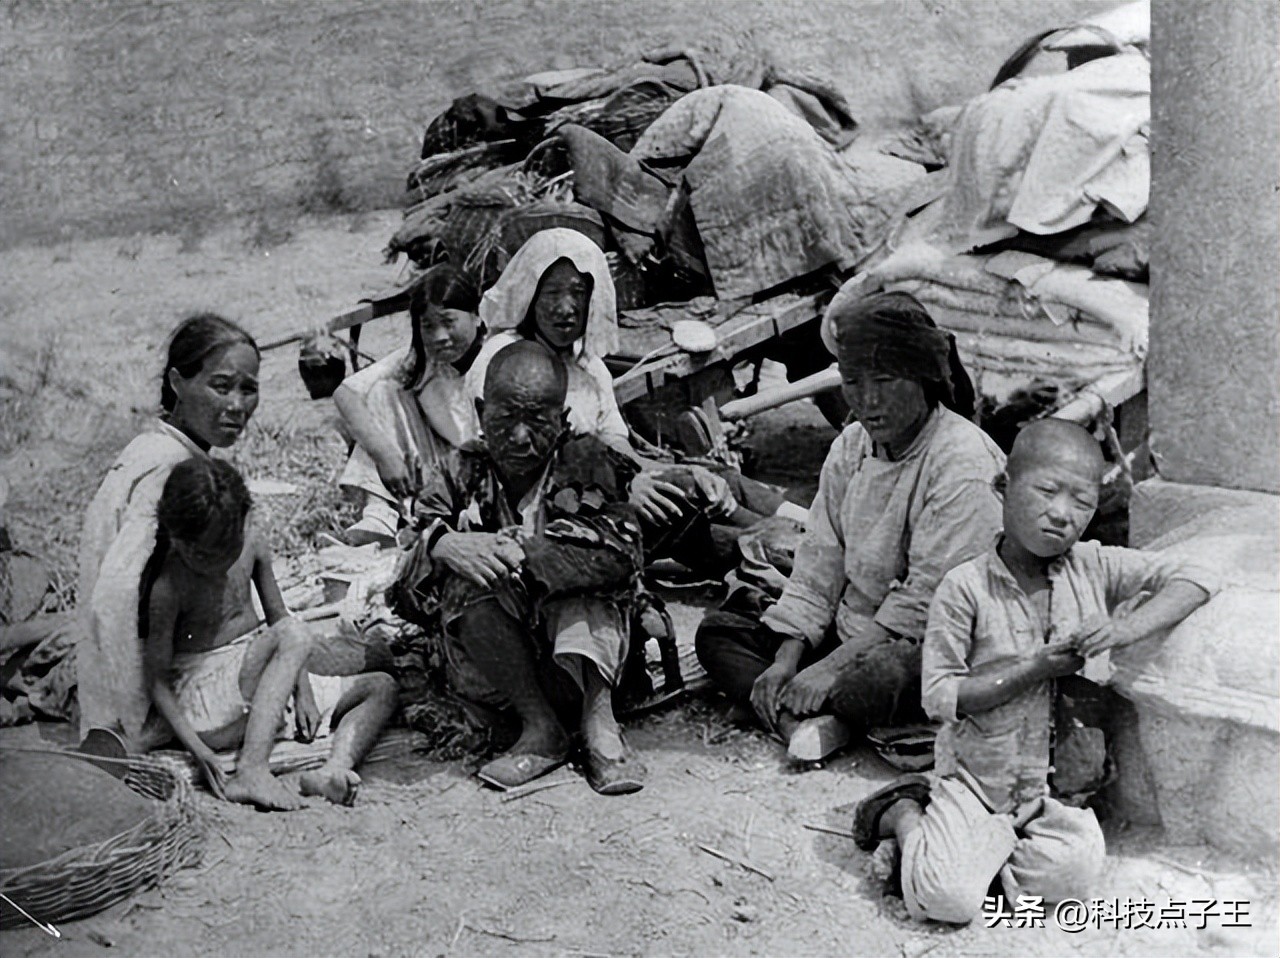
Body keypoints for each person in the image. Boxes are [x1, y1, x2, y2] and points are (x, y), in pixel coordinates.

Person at [853, 420, 1215, 924]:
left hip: (1052, 795)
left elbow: (1196, 577)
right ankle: (906, 815)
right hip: (977, 783)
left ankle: (958, 861)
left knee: (1075, 872)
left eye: (1082, 502)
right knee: (949, 902)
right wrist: (1031, 670)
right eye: (1046, 491)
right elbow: (940, 695)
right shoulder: (966, 587)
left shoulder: (1094, 567)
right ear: (1003, 486)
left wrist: (1120, 629)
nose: (1062, 514)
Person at [695, 291, 1006, 761]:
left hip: (923, 640)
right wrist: (787, 660)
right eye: (854, 382)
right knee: (719, 634)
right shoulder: (852, 446)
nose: (868, 400)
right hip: (854, 629)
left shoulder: (962, 460)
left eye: (884, 380)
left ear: (923, 376)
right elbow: (820, 561)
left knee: (883, 677)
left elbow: (929, 601)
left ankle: (824, 718)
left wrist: (833, 668)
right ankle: (803, 718)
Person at [395, 340, 647, 795]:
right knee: (464, 572)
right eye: (506, 417)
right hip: (499, 674)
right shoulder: (457, 472)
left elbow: (622, 553)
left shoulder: (586, 460)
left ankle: (599, 726)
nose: (519, 437)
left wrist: (525, 555)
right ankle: (541, 729)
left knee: (583, 578)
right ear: (480, 409)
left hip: (589, 666)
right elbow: (404, 578)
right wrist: (445, 544)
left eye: (537, 420)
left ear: (563, 419)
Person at [466, 227, 798, 569]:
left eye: (578, 293)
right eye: (552, 292)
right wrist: (625, 488)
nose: (565, 308)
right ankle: (787, 551)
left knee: (705, 478)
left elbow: (616, 445)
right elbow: (517, 462)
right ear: (530, 295)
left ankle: (807, 531)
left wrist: (650, 473)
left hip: (602, 484)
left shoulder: (589, 366)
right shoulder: (505, 362)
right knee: (681, 504)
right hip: (549, 507)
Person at [140, 458, 396, 811]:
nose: (216, 562)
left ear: (245, 520)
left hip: (258, 691)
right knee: (292, 632)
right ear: (176, 538)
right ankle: (252, 769)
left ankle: (333, 770)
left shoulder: (252, 543)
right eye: (201, 554)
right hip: (207, 705)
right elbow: (156, 682)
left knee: (381, 686)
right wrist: (197, 750)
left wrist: (302, 686)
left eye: (226, 548)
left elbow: (278, 615)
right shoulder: (169, 585)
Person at [78, 314, 262, 749]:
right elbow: (115, 599)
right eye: (221, 386)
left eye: (248, 389)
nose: (237, 405)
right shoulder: (169, 468)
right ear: (178, 383)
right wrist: (132, 719)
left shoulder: (154, 448)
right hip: (136, 693)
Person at [334, 264, 484, 545]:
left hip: (485, 475)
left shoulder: (499, 356)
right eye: (428, 326)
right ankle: (380, 512)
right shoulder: (423, 356)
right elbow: (347, 393)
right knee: (384, 391)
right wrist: (385, 455)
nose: (439, 336)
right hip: (436, 470)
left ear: (477, 315)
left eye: (449, 321)